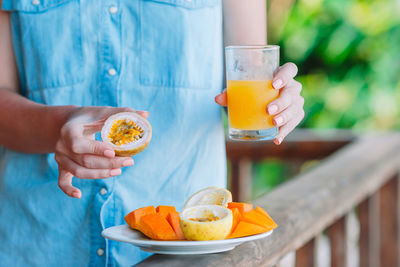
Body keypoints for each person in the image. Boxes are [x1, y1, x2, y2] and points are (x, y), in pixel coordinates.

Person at [0, 0, 304, 265]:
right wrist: (59, 125)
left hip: (185, 248)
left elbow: (250, 73)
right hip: (40, 240)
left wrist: (277, 102)